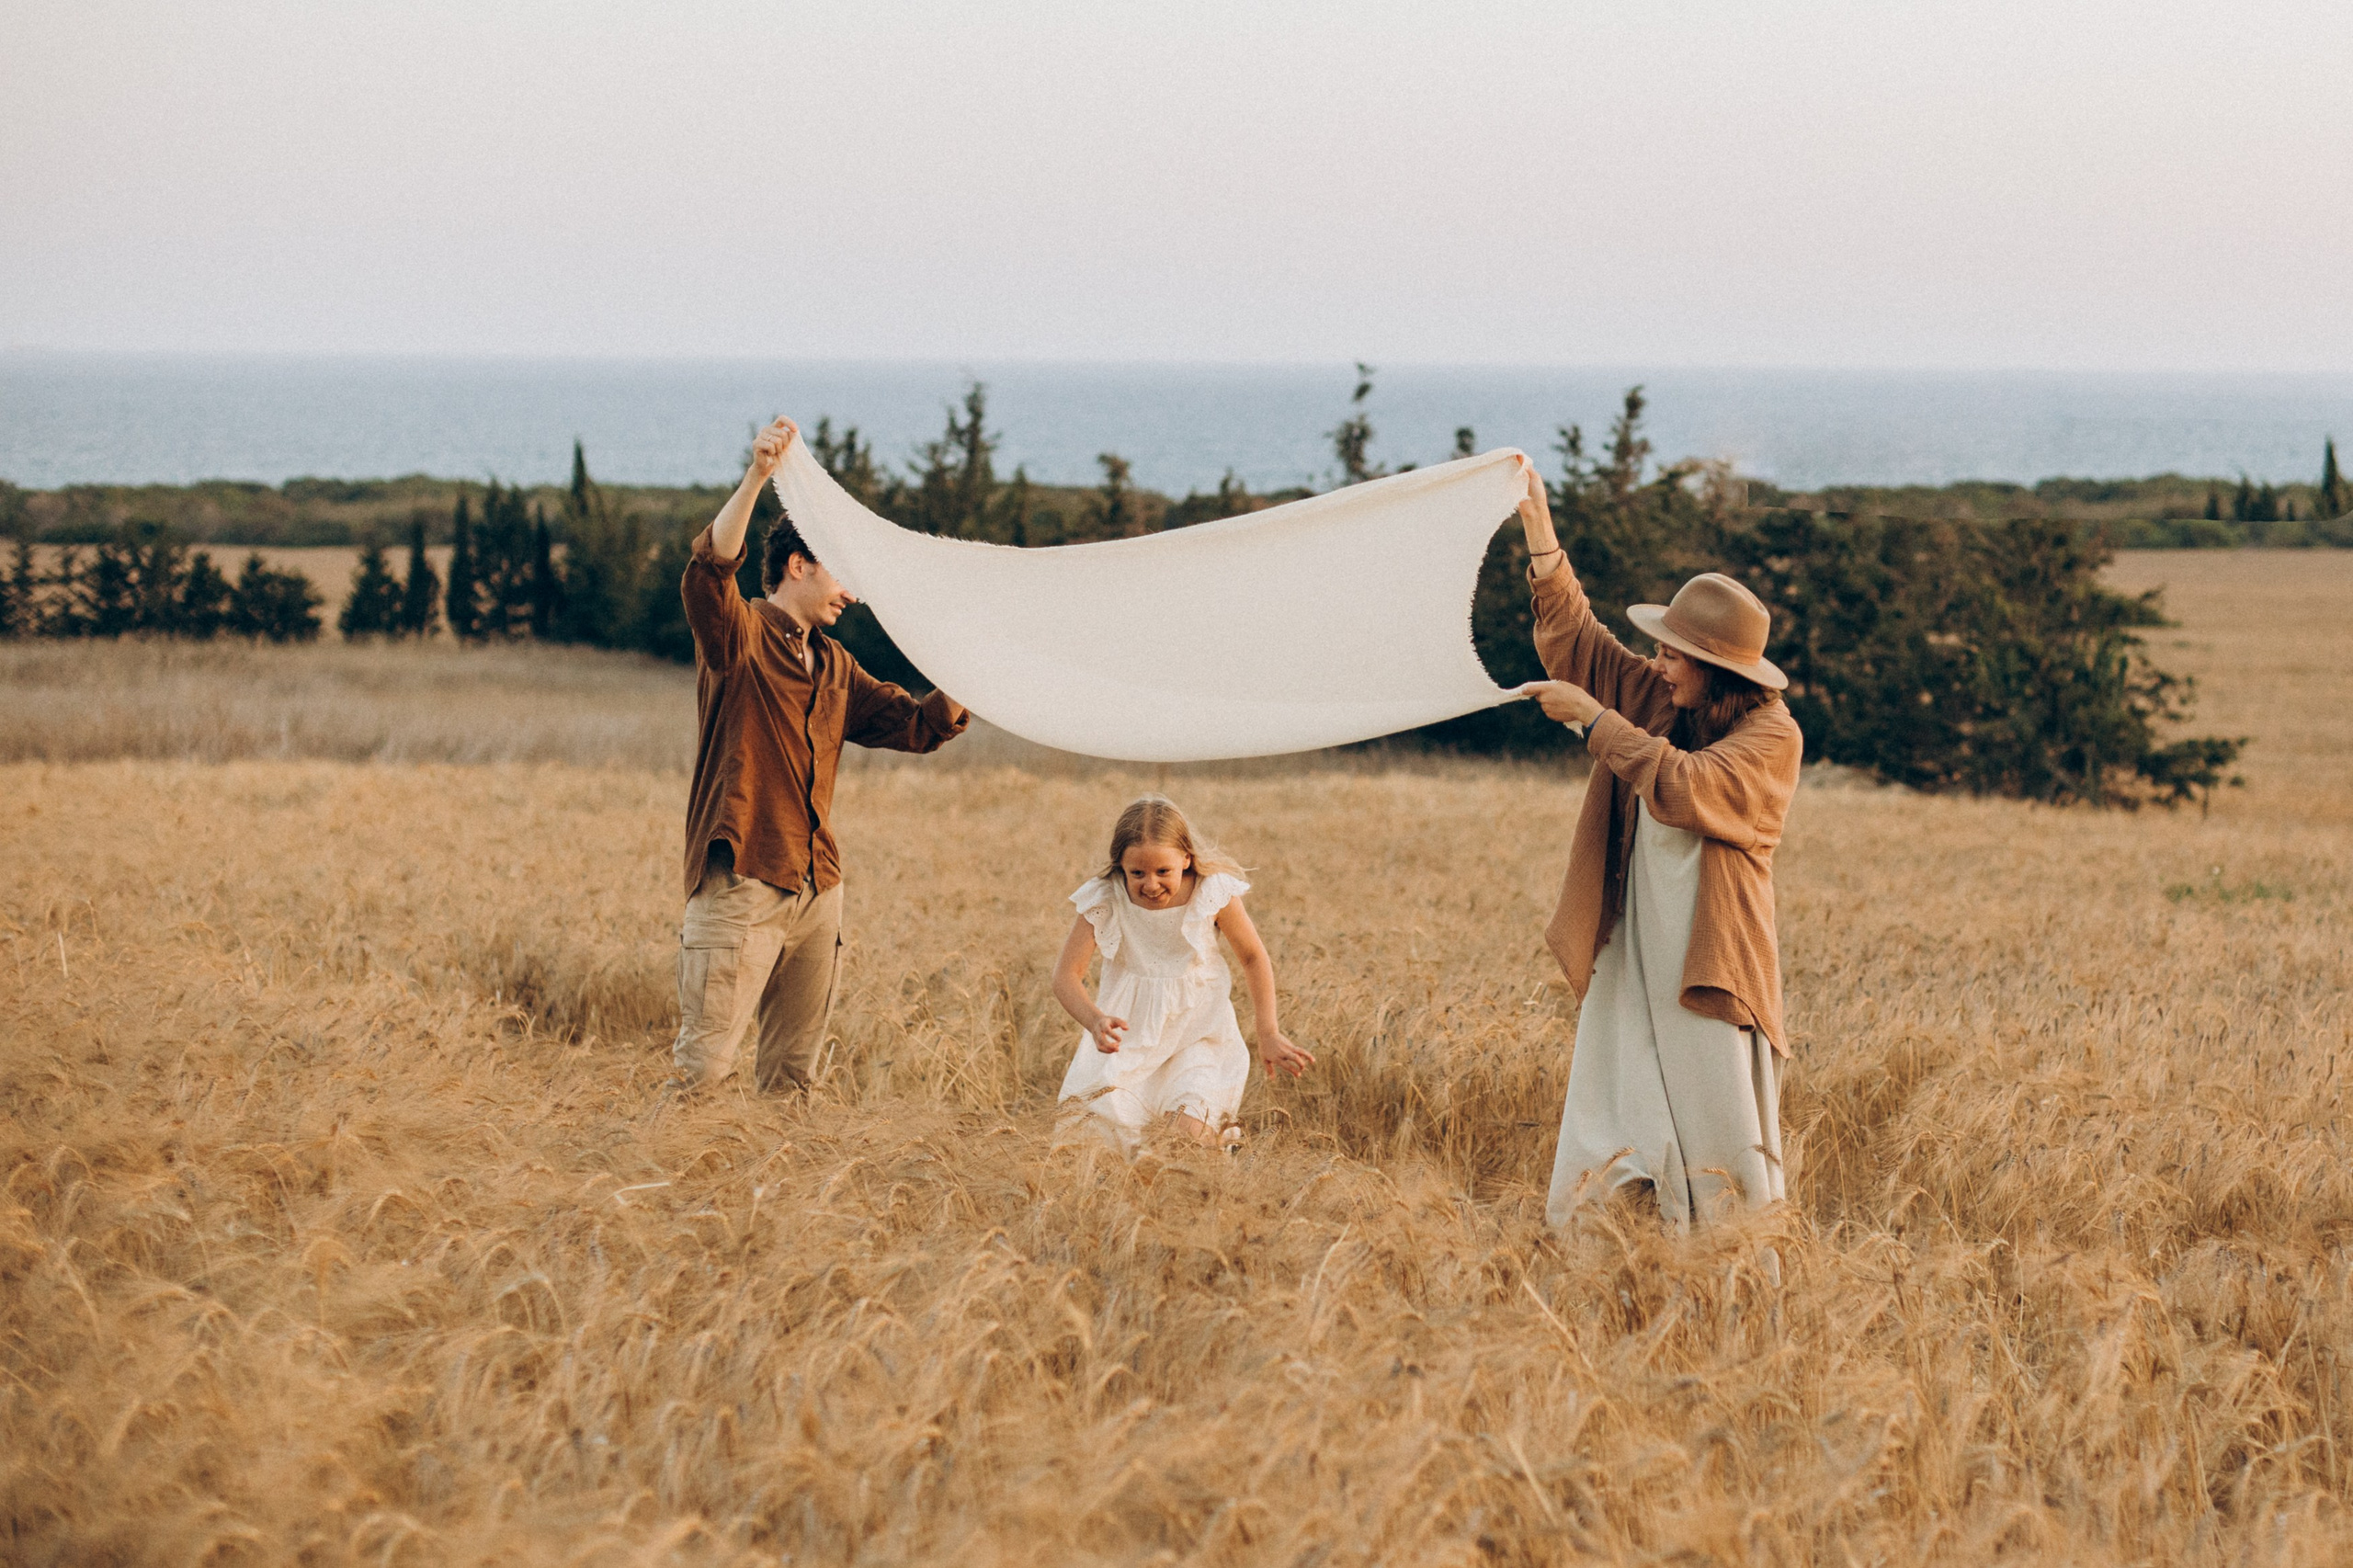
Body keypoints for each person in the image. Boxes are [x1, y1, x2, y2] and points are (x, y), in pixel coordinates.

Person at [1511, 456, 1803, 1229]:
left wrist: (1594, 722)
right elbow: (1582, 646)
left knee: (1723, 1158)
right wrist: (1539, 526)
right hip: (1634, 956)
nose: (1659, 664)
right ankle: (1602, 1286)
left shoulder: (1773, 736)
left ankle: (1739, 1305)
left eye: (1674, 654)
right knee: (1606, 1129)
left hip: (1707, 971)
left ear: (1715, 669)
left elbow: (1687, 789)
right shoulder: (1669, 698)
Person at [671, 415, 970, 1093]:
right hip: (742, 877)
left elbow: (920, 726)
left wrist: (969, 664)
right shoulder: (737, 635)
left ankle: (782, 1201)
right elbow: (711, 567)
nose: (852, 594)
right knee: (703, 1076)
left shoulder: (836, 664)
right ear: (798, 565)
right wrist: (758, 477)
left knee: (793, 1081)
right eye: (843, 575)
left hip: (818, 890)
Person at [1051, 795, 1314, 1154]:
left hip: (1200, 1035)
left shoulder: (1211, 893)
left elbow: (1253, 957)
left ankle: (1209, 1197)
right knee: (1105, 1148)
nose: (1151, 884)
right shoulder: (1104, 899)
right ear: (1120, 867)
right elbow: (1066, 975)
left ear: (1186, 859)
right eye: (1137, 873)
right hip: (1130, 1040)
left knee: (1189, 1138)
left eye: (1164, 871)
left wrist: (1268, 1032)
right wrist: (1094, 1020)